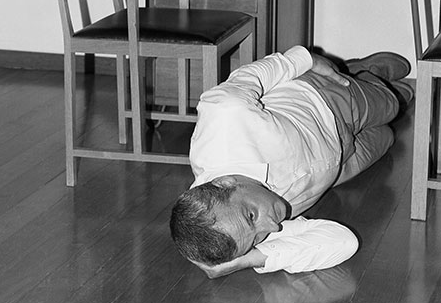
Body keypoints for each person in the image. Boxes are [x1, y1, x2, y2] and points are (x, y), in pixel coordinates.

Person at [169, 45, 413, 278]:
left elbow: (251, 77)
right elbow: (344, 241)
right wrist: (247, 259)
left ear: (225, 182)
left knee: (391, 106)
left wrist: (306, 59)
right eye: (256, 240)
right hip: (337, 166)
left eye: (252, 216)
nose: (273, 227)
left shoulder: (224, 118)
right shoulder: (240, 232)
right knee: (387, 137)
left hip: (324, 103)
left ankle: (364, 73)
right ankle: (385, 93)